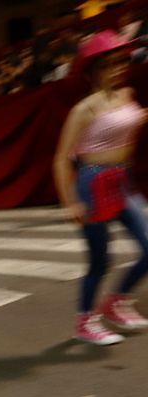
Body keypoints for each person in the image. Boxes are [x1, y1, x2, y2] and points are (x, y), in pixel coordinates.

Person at [53, 30, 148, 345]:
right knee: (100, 259)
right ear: (92, 70)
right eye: (109, 63)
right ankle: (85, 321)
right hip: (92, 182)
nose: (118, 68)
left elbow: (125, 129)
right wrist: (70, 201)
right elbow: (61, 159)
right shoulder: (84, 109)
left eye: (121, 61)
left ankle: (116, 301)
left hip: (122, 180)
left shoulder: (127, 95)